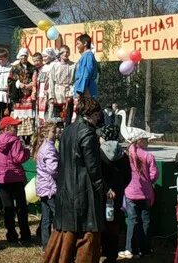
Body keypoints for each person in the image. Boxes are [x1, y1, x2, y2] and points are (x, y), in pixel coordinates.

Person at [44, 97, 105, 263]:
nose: (99, 117)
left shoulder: (67, 130)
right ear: (92, 113)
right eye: (98, 113)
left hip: (65, 188)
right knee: (88, 234)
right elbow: (93, 167)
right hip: (83, 190)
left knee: (65, 232)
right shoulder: (88, 133)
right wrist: (103, 189)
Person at [119, 134, 159, 259]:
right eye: (146, 140)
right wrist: (148, 182)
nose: (148, 142)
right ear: (140, 141)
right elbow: (154, 175)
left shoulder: (126, 155)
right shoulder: (148, 156)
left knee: (132, 221)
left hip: (130, 192)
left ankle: (130, 249)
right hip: (146, 193)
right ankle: (145, 248)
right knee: (145, 221)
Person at [0, 116, 31, 243]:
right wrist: (27, 152)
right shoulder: (15, 140)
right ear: (7, 127)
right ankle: (25, 234)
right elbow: (18, 158)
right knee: (21, 207)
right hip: (15, 176)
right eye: (14, 126)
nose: (17, 128)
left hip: (3, 177)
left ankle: (11, 234)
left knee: (8, 208)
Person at [99, 125, 131, 263]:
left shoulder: (98, 153)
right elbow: (128, 175)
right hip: (117, 193)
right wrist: (119, 187)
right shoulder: (123, 154)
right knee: (114, 222)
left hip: (101, 193)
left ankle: (100, 249)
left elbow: (96, 173)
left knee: (100, 222)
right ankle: (112, 253)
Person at [33, 122, 59, 252]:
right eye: (54, 131)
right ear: (47, 133)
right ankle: (56, 245)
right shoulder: (49, 148)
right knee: (57, 217)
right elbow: (53, 169)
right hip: (50, 187)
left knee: (46, 219)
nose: (56, 133)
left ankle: (46, 246)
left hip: (43, 187)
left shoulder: (42, 146)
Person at [8, 48, 36, 144]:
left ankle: (28, 138)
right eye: (22, 55)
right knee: (19, 117)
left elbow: (35, 79)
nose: (23, 57)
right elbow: (9, 80)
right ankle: (20, 138)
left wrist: (30, 85)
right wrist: (18, 84)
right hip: (18, 96)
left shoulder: (32, 68)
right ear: (19, 57)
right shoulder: (15, 68)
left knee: (29, 117)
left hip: (28, 95)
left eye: (25, 55)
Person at [48, 45, 75, 126]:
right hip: (57, 93)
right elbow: (51, 81)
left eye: (67, 52)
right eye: (63, 52)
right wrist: (51, 96)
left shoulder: (73, 65)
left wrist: (71, 93)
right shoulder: (54, 65)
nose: (65, 54)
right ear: (60, 53)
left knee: (67, 116)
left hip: (68, 92)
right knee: (57, 117)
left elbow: (74, 81)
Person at [36, 48, 58, 127]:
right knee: (41, 115)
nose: (43, 58)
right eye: (43, 57)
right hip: (41, 93)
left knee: (49, 113)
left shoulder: (55, 65)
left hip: (50, 93)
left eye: (45, 56)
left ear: (50, 56)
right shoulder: (43, 67)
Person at [74, 34, 98, 99]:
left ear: (85, 43)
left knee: (85, 108)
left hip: (85, 91)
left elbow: (86, 74)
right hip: (82, 88)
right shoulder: (85, 56)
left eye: (78, 44)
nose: (77, 46)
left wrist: (81, 89)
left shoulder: (88, 56)